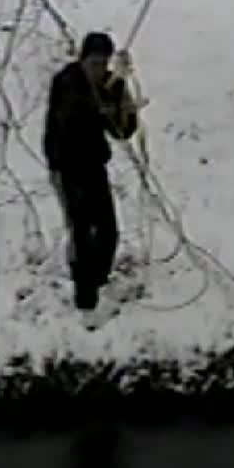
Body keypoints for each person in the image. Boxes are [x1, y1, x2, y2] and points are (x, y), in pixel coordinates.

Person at [43, 31, 140, 330]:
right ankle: (85, 300)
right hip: (68, 167)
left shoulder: (106, 84)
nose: (100, 68)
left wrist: (121, 89)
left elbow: (121, 131)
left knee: (109, 231)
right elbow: (72, 117)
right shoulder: (67, 81)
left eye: (104, 63)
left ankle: (97, 280)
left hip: (94, 166)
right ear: (83, 59)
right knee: (83, 231)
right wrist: (102, 98)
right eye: (95, 62)